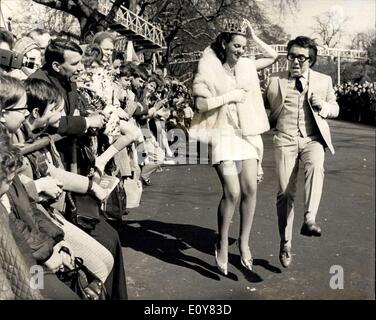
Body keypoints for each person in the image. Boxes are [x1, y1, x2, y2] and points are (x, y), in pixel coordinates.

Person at [191, 19, 278, 275]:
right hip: (222, 135)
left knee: (250, 187)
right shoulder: (209, 67)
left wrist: (254, 35)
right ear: (224, 44)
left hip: (246, 135)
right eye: (236, 45)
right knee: (232, 191)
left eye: (243, 46)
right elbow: (201, 105)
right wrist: (230, 96)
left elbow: (273, 56)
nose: (240, 50)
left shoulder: (248, 67)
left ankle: (244, 243)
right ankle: (222, 244)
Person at [265, 36, 339, 268]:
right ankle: (285, 242)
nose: (295, 61)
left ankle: (309, 218)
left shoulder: (323, 81)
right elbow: (262, 108)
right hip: (285, 138)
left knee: (316, 165)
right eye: (292, 56)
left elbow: (335, 107)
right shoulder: (274, 80)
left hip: (312, 139)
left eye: (301, 57)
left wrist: (324, 107)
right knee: (285, 194)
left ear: (311, 60)